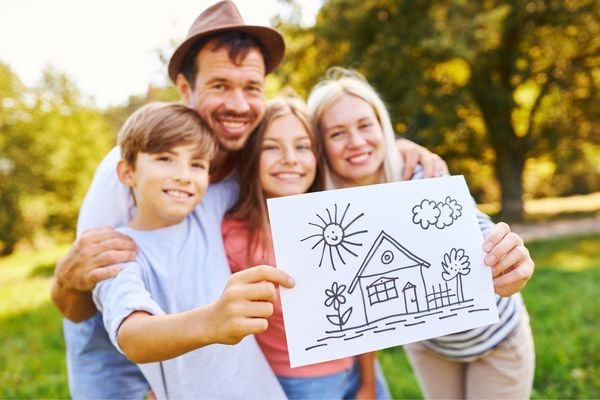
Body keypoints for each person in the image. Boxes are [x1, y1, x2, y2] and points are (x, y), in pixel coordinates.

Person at [50, 2, 447, 398]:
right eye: (220, 85)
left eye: (251, 88)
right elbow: (82, 300)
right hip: (118, 356)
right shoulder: (128, 172)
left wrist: (395, 151)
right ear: (187, 89)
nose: (239, 105)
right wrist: (68, 277)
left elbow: (323, 159)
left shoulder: (252, 155)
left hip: (226, 362)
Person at [306, 67, 536, 399]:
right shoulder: (327, 217)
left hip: (496, 340)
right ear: (320, 144)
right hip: (431, 348)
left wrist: (509, 258)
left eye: (365, 125)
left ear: (382, 127)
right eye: (337, 133)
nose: (356, 141)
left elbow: (477, 227)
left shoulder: (420, 175)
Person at [91, 101, 290, 398]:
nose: (184, 175)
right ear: (127, 172)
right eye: (165, 158)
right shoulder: (117, 251)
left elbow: (265, 176)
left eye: (197, 164)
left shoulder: (207, 207)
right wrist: (212, 320)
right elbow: (131, 335)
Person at [222, 97, 391, 399]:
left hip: (360, 372)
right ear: (251, 156)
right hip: (299, 383)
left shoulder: (336, 221)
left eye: (302, 146)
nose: (290, 158)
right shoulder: (233, 236)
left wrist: (367, 382)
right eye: (271, 147)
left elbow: (364, 310)